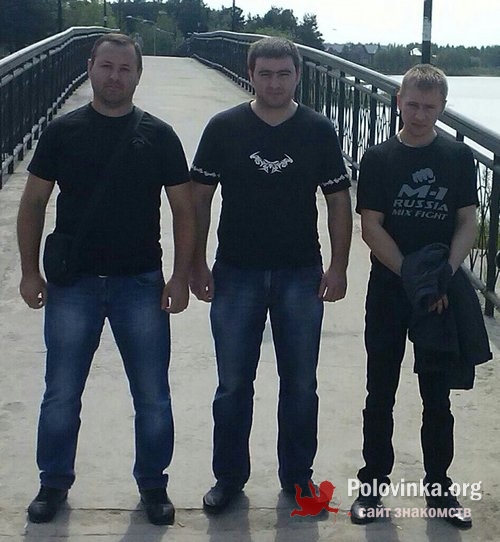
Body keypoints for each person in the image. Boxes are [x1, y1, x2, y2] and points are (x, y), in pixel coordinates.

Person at [17, 33, 194, 525]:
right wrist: (30, 271)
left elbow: (184, 210)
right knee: (61, 392)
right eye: (106, 67)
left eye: (124, 69)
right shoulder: (63, 132)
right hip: (73, 284)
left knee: (152, 394)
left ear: (138, 74)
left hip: (140, 281)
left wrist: (179, 276)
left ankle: (153, 485)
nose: (115, 77)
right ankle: (53, 483)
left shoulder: (159, 136)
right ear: (90, 67)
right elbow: (33, 202)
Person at [190, 36, 352, 514]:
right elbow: (198, 200)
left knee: (300, 384)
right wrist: (195, 262)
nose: (275, 83)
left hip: (300, 272)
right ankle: (228, 477)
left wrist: (338, 265)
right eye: (266, 74)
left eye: (284, 74)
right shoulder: (224, 127)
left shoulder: (318, 129)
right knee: (232, 384)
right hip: (236, 271)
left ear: (298, 75)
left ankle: (298, 478)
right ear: (251, 74)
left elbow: (338, 201)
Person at [350, 64, 491, 529]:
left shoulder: (456, 156)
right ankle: (372, 483)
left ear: (442, 109)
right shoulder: (379, 157)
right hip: (391, 288)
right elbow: (371, 226)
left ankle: (439, 486)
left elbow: (467, 220)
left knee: (437, 395)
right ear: (399, 102)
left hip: (439, 292)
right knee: (380, 390)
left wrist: (444, 275)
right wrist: (414, 278)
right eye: (411, 104)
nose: (419, 114)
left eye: (429, 107)